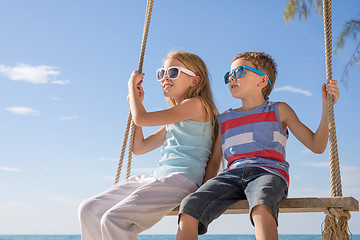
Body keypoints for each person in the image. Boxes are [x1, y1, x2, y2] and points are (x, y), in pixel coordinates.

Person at [176, 52, 339, 240]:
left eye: (239, 71)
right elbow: (214, 163)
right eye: (229, 74)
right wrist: (204, 193)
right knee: (189, 206)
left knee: (261, 205)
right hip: (231, 176)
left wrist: (327, 106)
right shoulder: (223, 120)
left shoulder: (279, 110)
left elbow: (317, 146)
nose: (231, 78)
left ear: (262, 80)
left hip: (269, 173)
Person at [78, 51, 220, 240]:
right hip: (159, 178)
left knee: (115, 219)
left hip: (182, 180)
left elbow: (142, 118)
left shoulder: (197, 105)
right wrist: (136, 103)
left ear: (195, 81)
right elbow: (140, 147)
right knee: (89, 209)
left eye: (174, 72)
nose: (165, 78)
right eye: (162, 73)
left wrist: (131, 89)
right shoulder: (175, 118)